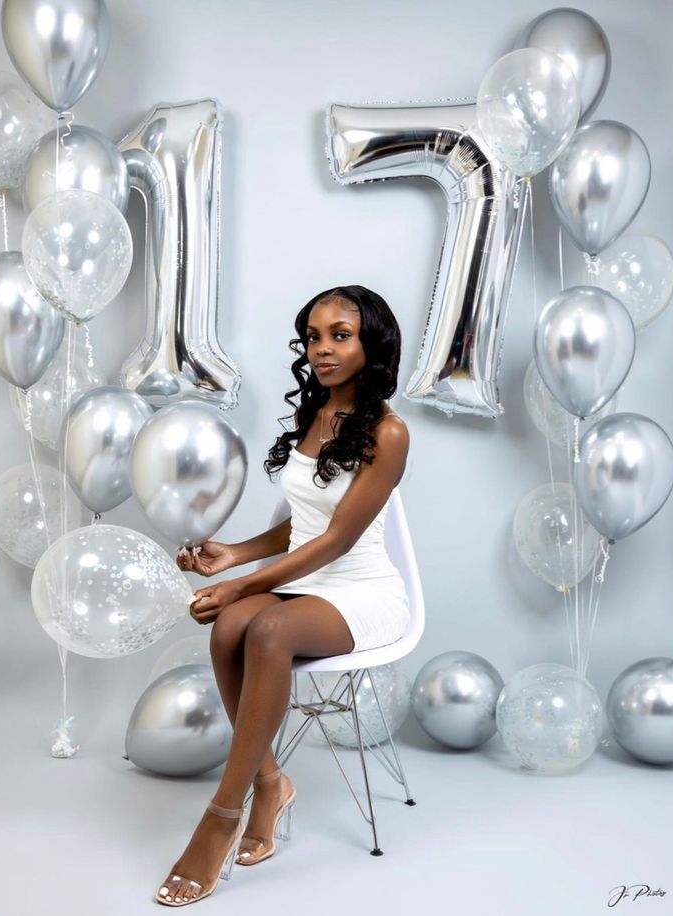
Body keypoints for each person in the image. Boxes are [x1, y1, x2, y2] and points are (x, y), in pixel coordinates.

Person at [155, 284, 411, 906]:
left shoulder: (391, 432)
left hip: (360, 591)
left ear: (371, 343)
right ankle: (270, 782)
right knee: (229, 627)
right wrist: (235, 554)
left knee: (266, 628)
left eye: (340, 336)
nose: (322, 350)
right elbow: (304, 522)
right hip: (303, 578)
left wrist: (242, 583)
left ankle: (221, 815)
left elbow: (338, 540)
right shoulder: (314, 414)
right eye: (314, 337)